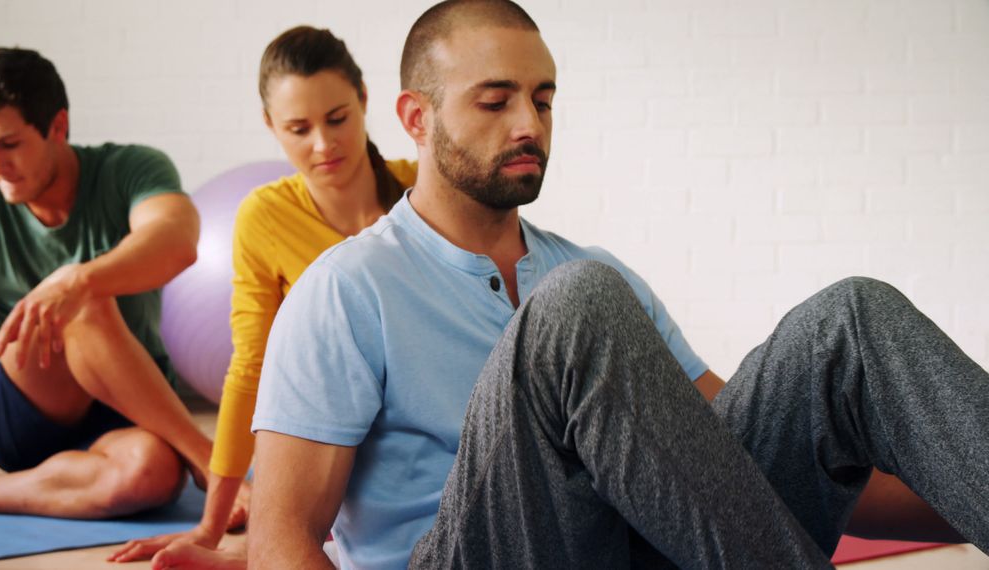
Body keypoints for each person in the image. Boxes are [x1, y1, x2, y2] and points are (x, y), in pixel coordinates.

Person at [246, 1, 989, 568]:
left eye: (543, 99)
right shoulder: (346, 289)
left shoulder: (584, 269)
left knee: (848, 324)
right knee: (579, 303)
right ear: (416, 117)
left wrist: (950, 470)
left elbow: (728, 470)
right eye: (495, 100)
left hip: (630, 547)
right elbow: (282, 538)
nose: (529, 124)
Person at [108, 27, 417, 567]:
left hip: (421, 425)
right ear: (270, 126)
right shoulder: (265, 216)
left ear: (365, 100)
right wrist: (209, 528)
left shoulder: (424, 191)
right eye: (299, 128)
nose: (323, 144)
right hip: (332, 436)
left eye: (337, 118)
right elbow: (250, 368)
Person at [0, 47, 223, 521]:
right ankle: (212, 465)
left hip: (129, 406)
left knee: (151, 475)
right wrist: (75, 289)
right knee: (80, 303)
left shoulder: (130, 170)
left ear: (58, 126)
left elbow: (176, 241)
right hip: (27, 406)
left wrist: (78, 278)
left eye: (9, 144)